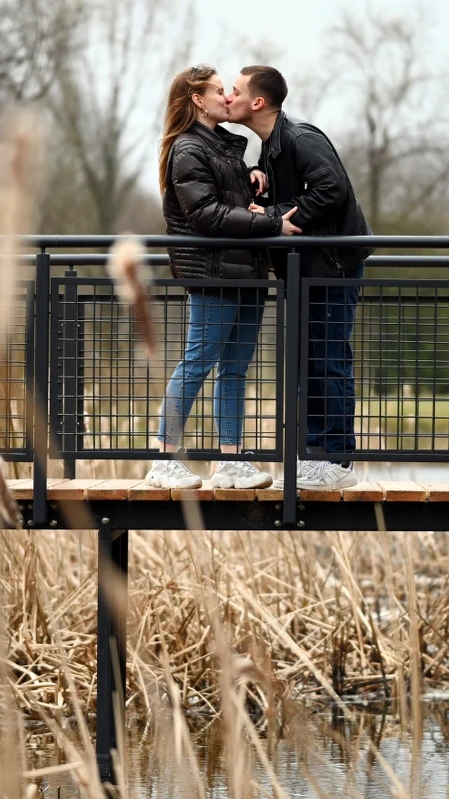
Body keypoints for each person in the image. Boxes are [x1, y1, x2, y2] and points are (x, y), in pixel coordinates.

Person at [146, 64, 302, 491]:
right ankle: (163, 458)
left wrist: (254, 181)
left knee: (235, 369)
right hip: (213, 271)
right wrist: (273, 222)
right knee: (198, 361)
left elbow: (231, 202)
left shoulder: (227, 148)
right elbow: (206, 215)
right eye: (219, 91)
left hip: (247, 269)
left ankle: (230, 462)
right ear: (198, 100)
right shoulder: (187, 149)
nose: (227, 97)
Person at [228, 65, 373, 491]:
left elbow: (332, 190)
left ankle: (339, 462)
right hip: (307, 269)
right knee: (310, 362)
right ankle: (314, 457)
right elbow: (299, 192)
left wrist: (277, 216)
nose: (228, 97)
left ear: (257, 102)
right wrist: (262, 190)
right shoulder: (272, 148)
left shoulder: (300, 137)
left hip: (332, 264)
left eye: (234, 91)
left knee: (328, 361)